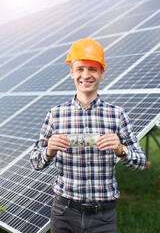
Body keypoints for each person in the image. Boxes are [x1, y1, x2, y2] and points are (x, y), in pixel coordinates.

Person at [30, 38, 146, 233]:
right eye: (80, 69)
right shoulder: (55, 114)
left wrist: (121, 149)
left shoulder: (117, 115)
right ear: (72, 73)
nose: (86, 75)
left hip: (103, 216)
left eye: (93, 69)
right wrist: (49, 150)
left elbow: (141, 163)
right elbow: (35, 162)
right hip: (63, 212)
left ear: (102, 73)